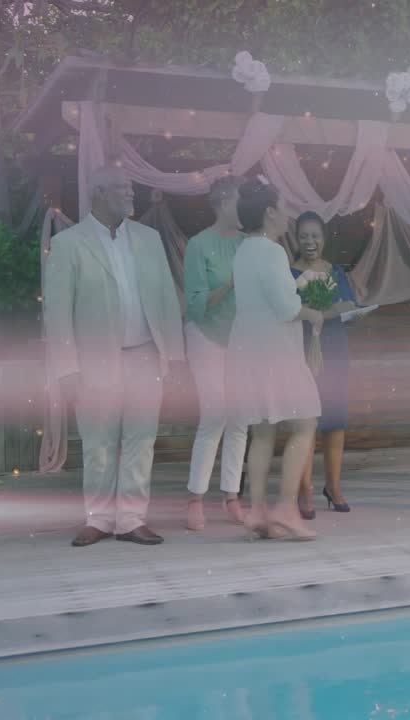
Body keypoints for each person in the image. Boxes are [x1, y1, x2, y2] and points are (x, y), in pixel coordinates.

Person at [43, 165, 185, 547]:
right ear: (100, 193)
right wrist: (66, 369)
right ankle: (100, 519)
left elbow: (167, 299)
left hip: (146, 355)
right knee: (99, 443)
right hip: (94, 363)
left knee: (142, 439)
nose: (131, 192)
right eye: (122, 187)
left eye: (130, 187)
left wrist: (175, 356)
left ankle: (131, 520)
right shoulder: (69, 243)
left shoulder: (149, 238)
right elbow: (57, 313)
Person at [224, 178, 325, 541]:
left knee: (263, 430)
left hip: (248, 350)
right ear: (269, 212)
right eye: (284, 208)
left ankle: (257, 511)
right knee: (305, 422)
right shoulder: (272, 251)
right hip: (275, 353)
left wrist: (296, 290)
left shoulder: (244, 251)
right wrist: (312, 313)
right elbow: (285, 308)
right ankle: (285, 508)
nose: (288, 216)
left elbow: (263, 297)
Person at [181, 175, 248, 531]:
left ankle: (231, 497)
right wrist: (232, 282)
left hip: (240, 340)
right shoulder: (198, 245)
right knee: (215, 414)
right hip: (205, 336)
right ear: (223, 204)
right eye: (240, 200)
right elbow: (195, 305)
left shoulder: (249, 243)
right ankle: (195, 499)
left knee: (240, 418)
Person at [290, 211, 359, 518]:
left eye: (315, 235)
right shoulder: (288, 273)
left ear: (324, 238)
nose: (310, 241)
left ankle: (333, 486)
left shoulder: (336, 272)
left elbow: (348, 305)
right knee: (306, 421)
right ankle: (303, 489)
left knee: (335, 420)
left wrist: (321, 310)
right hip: (301, 350)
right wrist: (319, 310)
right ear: (296, 238)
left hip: (334, 349)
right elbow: (289, 309)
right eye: (304, 236)